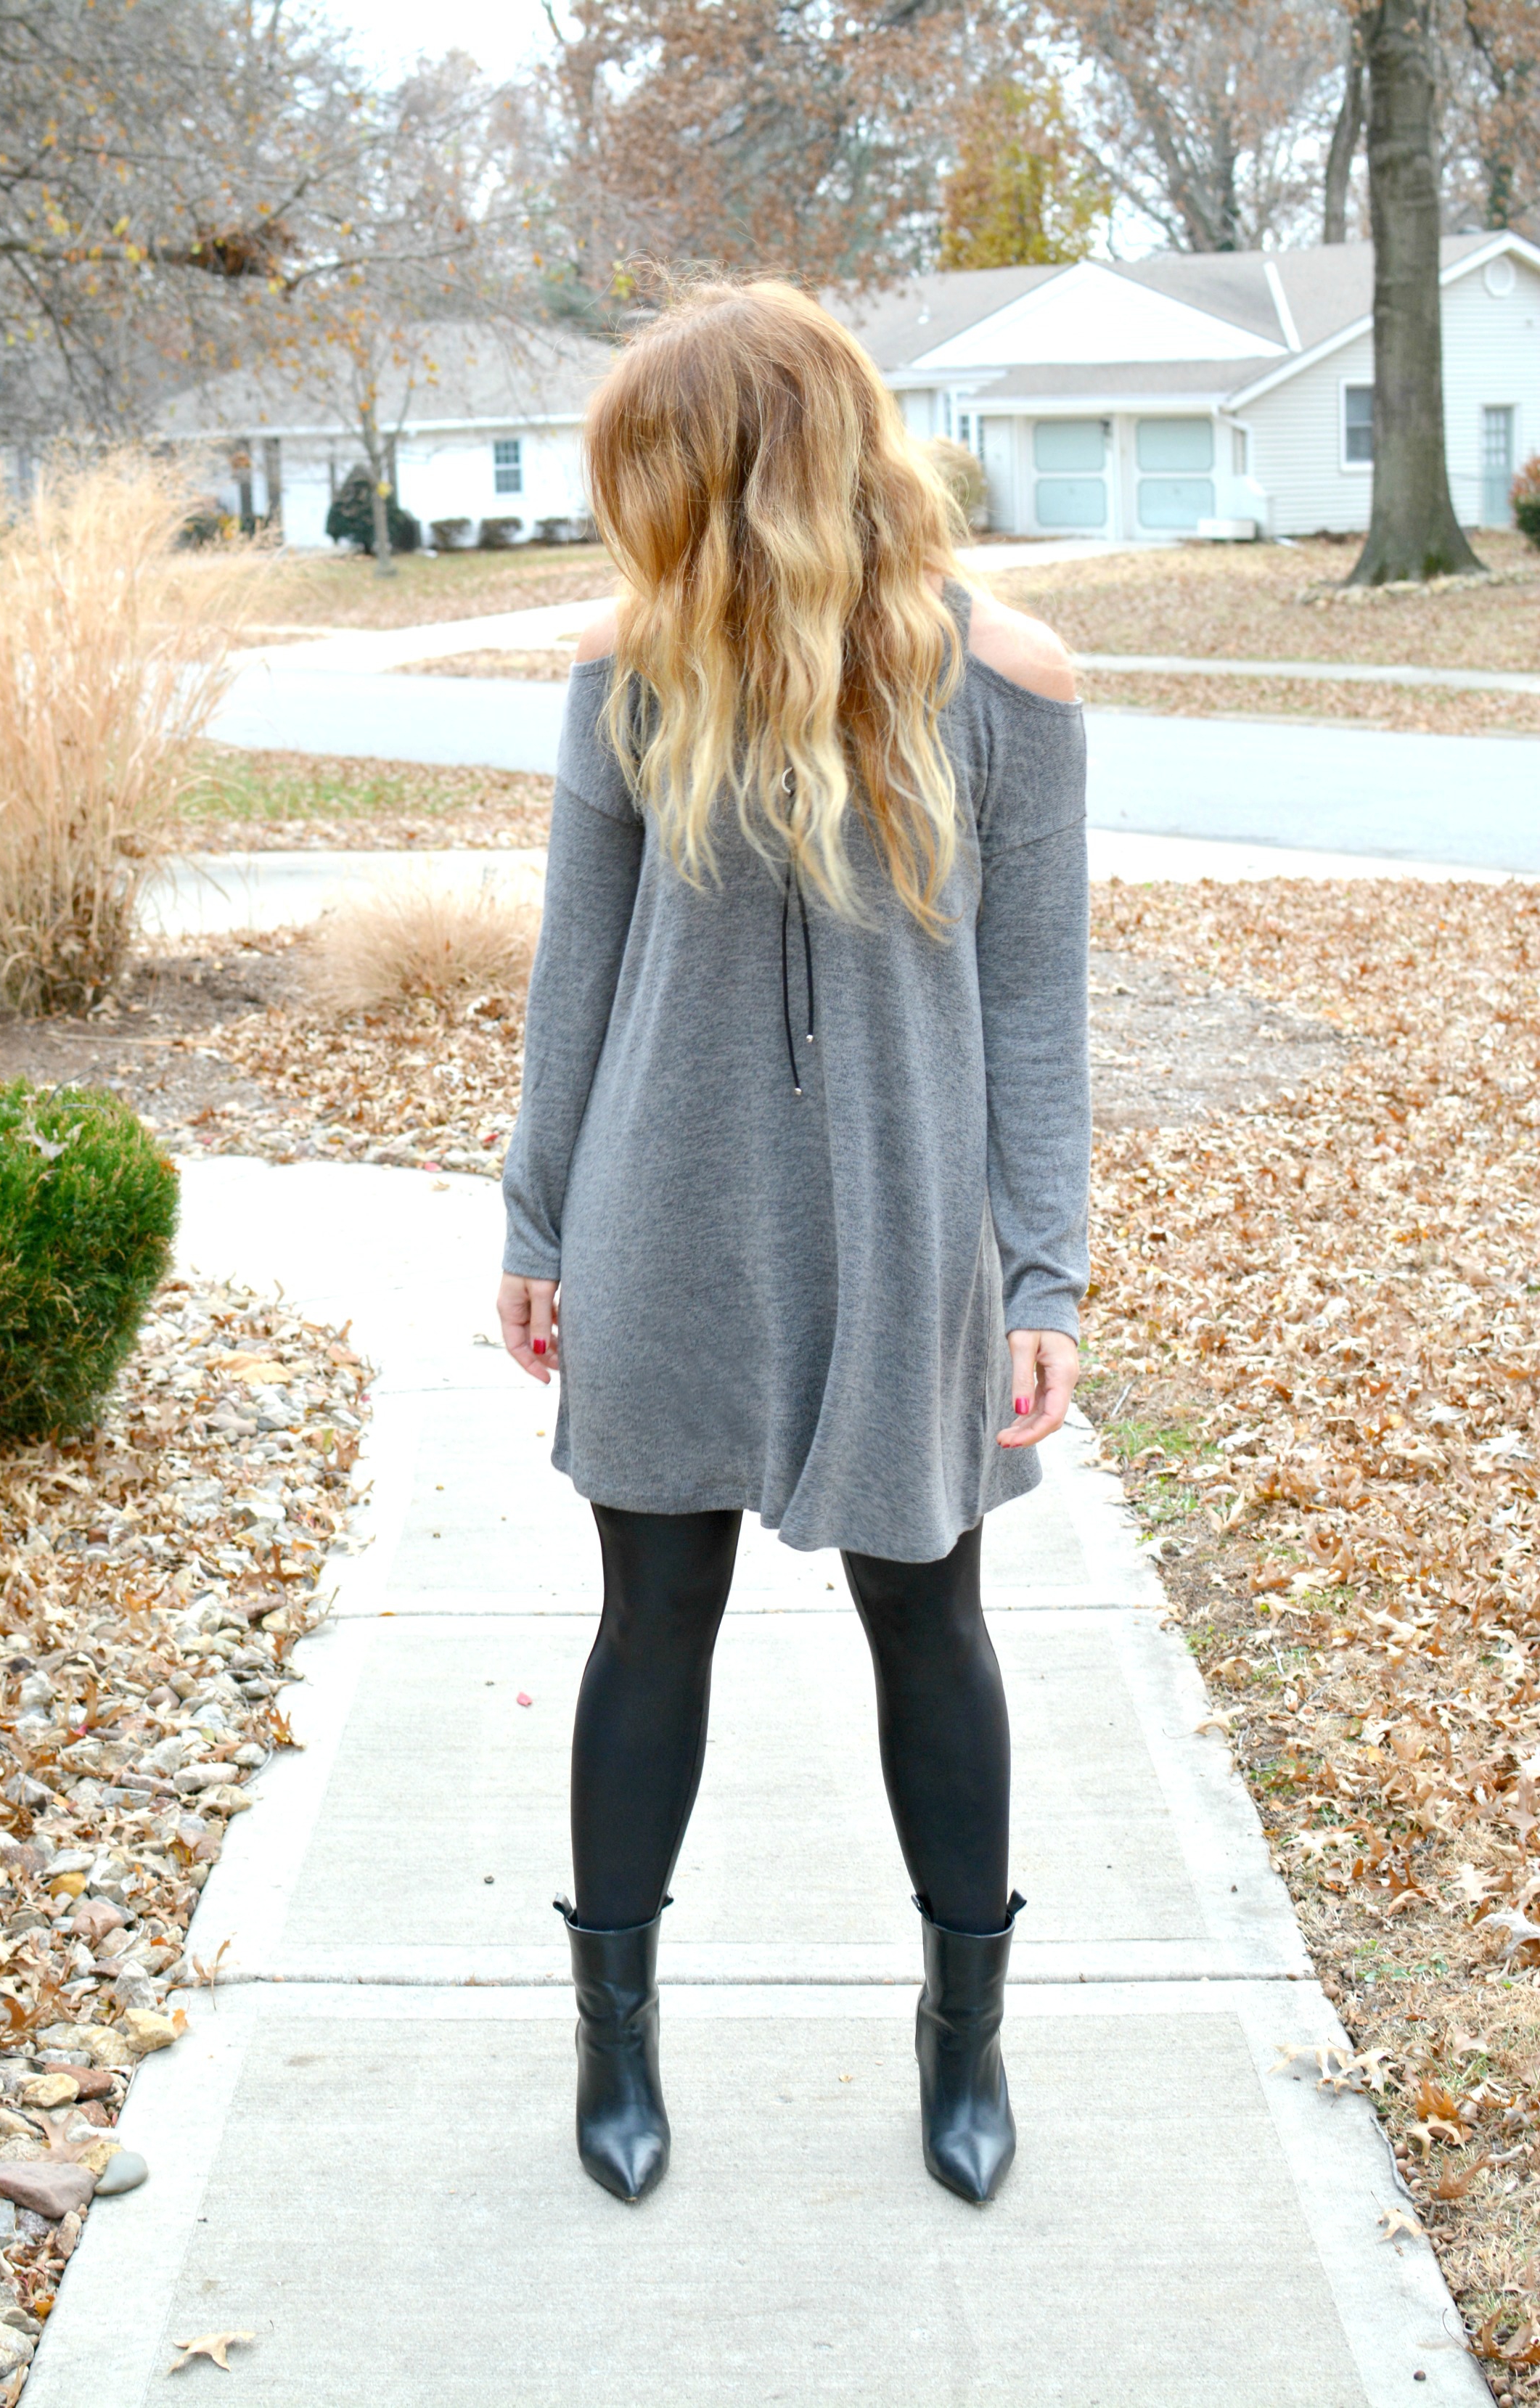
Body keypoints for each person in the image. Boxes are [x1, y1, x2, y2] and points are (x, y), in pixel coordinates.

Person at [497, 279, 1088, 2209]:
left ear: (759, 470)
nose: (632, 517)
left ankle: (965, 2047)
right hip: (664, 1224)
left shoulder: (1006, 687)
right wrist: (537, 1218)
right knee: (650, 1615)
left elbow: (1032, 1005)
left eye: (654, 474)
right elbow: (574, 975)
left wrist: (1040, 1269)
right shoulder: (630, 674)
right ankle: (611, 2046)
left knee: (932, 1616)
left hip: (909, 1231)